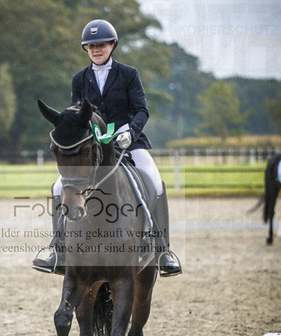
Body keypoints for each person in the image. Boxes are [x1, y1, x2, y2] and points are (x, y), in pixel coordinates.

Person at [33, 19, 181, 277]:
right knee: (59, 187)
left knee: (155, 181)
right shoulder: (80, 78)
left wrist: (130, 132)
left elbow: (142, 110)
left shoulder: (128, 74)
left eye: (101, 45)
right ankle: (58, 248)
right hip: (94, 147)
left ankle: (162, 250)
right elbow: (77, 114)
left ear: (112, 45)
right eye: (91, 46)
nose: (96, 50)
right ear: (86, 49)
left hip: (128, 142)